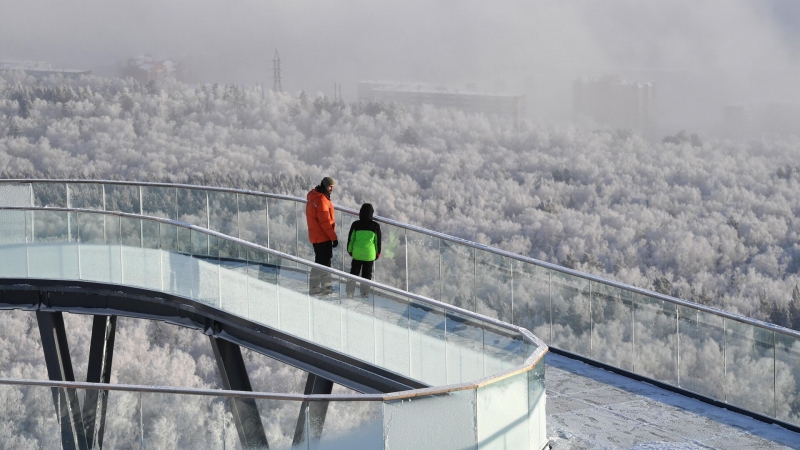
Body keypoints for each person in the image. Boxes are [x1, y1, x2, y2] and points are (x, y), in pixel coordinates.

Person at [306, 177, 338, 295]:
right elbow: (325, 222)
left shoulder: (314, 196)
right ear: (325, 186)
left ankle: (318, 287)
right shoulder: (322, 200)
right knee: (324, 263)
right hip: (323, 236)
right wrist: (334, 237)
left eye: (332, 187)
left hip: (316, 235)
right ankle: (323, 288)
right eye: (330, 187)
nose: (331, 189)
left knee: (320, 261)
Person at [346, 203, 381, 298]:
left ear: (360, 213)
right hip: (369, 254)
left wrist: (349, 250)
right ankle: (364, 294)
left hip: (357, 253)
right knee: (367, 275)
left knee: (354, 273)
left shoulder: (355, 224)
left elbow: (351, 239)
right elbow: (377, 242)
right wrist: (378, 253)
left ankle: (349, 292)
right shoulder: (375, 226)